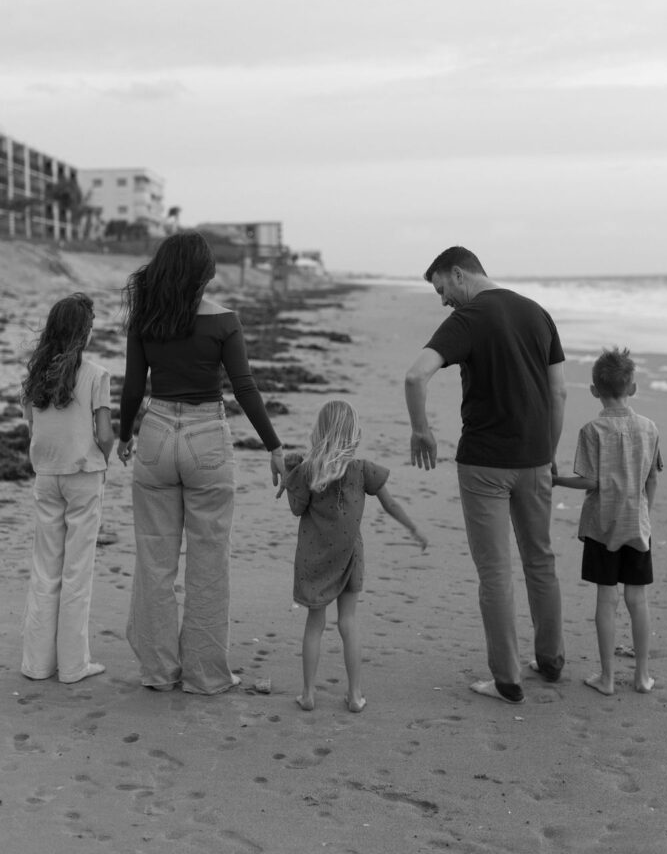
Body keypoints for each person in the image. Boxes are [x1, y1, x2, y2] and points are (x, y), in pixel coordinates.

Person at [117, 231, 285, 695]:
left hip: (155, 434)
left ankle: (158, 671)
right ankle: (206, 675)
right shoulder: (225, 320)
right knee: (209, 561)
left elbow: (133, 388)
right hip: (206, 437)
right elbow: (244, 387)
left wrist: (125, 432)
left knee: (155, 559)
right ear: (205, 274)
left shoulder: (145, 320)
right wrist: (274, 445)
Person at [404, 245, 566, 704]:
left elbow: (416, 377)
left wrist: (422, 431)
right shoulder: (538, 314)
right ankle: (551, 662)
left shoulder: (469, 318)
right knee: (541, 560)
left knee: (495, 571)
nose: (442, 300)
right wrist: (547, 453)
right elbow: (559, 395)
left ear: (459, 274)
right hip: (535, 460)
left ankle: (508, 680)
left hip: (483, 465)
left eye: (441, 289)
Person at [282, 399, 427, 712]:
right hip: (350, 557)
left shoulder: (308, 471)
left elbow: (297, 508)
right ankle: (356, 695)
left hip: (313, 560)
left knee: (314, 625)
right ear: (354, 434)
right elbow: (390, 504)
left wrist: (291, 471)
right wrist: (412, 528)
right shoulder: (362, 470)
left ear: (319, 432)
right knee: (348, 623)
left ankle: (308, 694)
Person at [553, 347, 661, 695]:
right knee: (637, 599)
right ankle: (642, 676)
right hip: (636, 525)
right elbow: (652, 479)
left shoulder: (591, 430)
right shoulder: (650, 427)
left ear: (594, 390)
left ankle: (608, 677)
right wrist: (646, 511)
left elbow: (590, 481)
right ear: (633, 387)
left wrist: (556, 481)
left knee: (606, 599)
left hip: (602, 526)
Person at [21, 293, 114, 684]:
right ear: (83, 333)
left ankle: (37, 665)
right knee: (77, 570)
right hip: (83, 475)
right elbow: (106, 434)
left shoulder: (34, 377)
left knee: (46, 569)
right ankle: (74, 665)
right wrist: (104, 457)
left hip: (46, 475)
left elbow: (31, 425)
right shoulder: (95, 375)